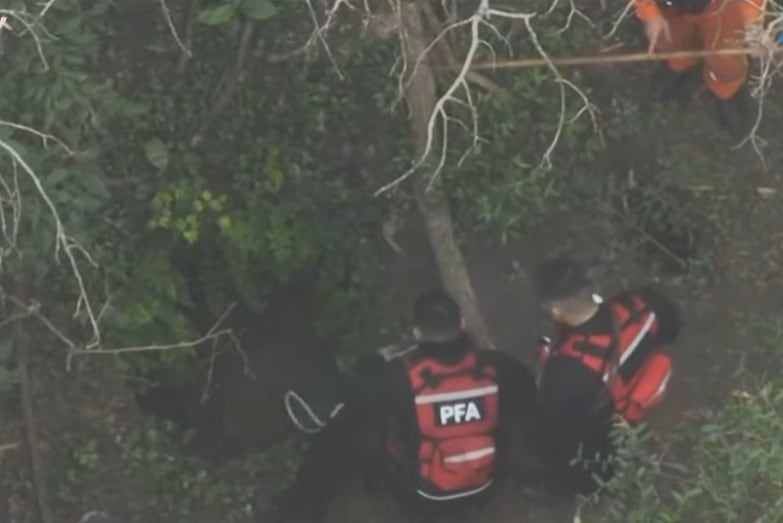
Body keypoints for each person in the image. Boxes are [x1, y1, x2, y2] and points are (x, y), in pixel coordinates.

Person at [257, 290, 539, 522]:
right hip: (483, 487)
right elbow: (526, 400)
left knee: (339, 435)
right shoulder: (498, 367)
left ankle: (293, 514)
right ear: (463, 323)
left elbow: (356, 402)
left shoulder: (401, 377)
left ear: (417, 333)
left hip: (425, 497)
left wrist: (369, 369)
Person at [531, 257, 681, 497]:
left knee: (562, 450)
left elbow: (557, 429)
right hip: (630, 403)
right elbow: (671, 329)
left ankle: (573, 488)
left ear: (555, 310)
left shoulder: (566, 371)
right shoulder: (639, 305)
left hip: (601, 435)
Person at [636, 0, 766, 136]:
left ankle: (725, 90)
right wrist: (650, 13)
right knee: (671, 39)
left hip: (723, 6)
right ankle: (679, 61)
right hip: (673, 8)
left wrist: (752, 21)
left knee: (727, 61)